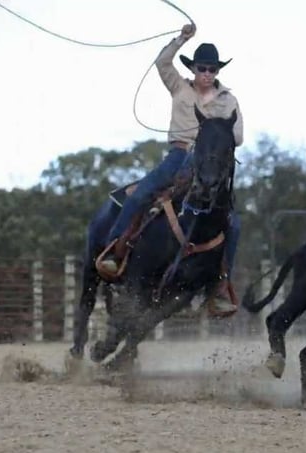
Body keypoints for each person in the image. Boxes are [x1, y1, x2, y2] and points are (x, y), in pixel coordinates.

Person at [98, 24, 243, 313]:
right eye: (202, 68)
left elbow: (237, 136)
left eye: (212, 69)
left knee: (233, 223)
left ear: (217, 71)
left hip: (211, 164)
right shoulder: (179, 86)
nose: (207, 73)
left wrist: (213, 133)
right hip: (179, 154)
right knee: (141, 194)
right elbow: (162, 63)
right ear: (193, 69)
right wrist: (182, 38)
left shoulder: (229, 100)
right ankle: (116, 249)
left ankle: (220, 284)